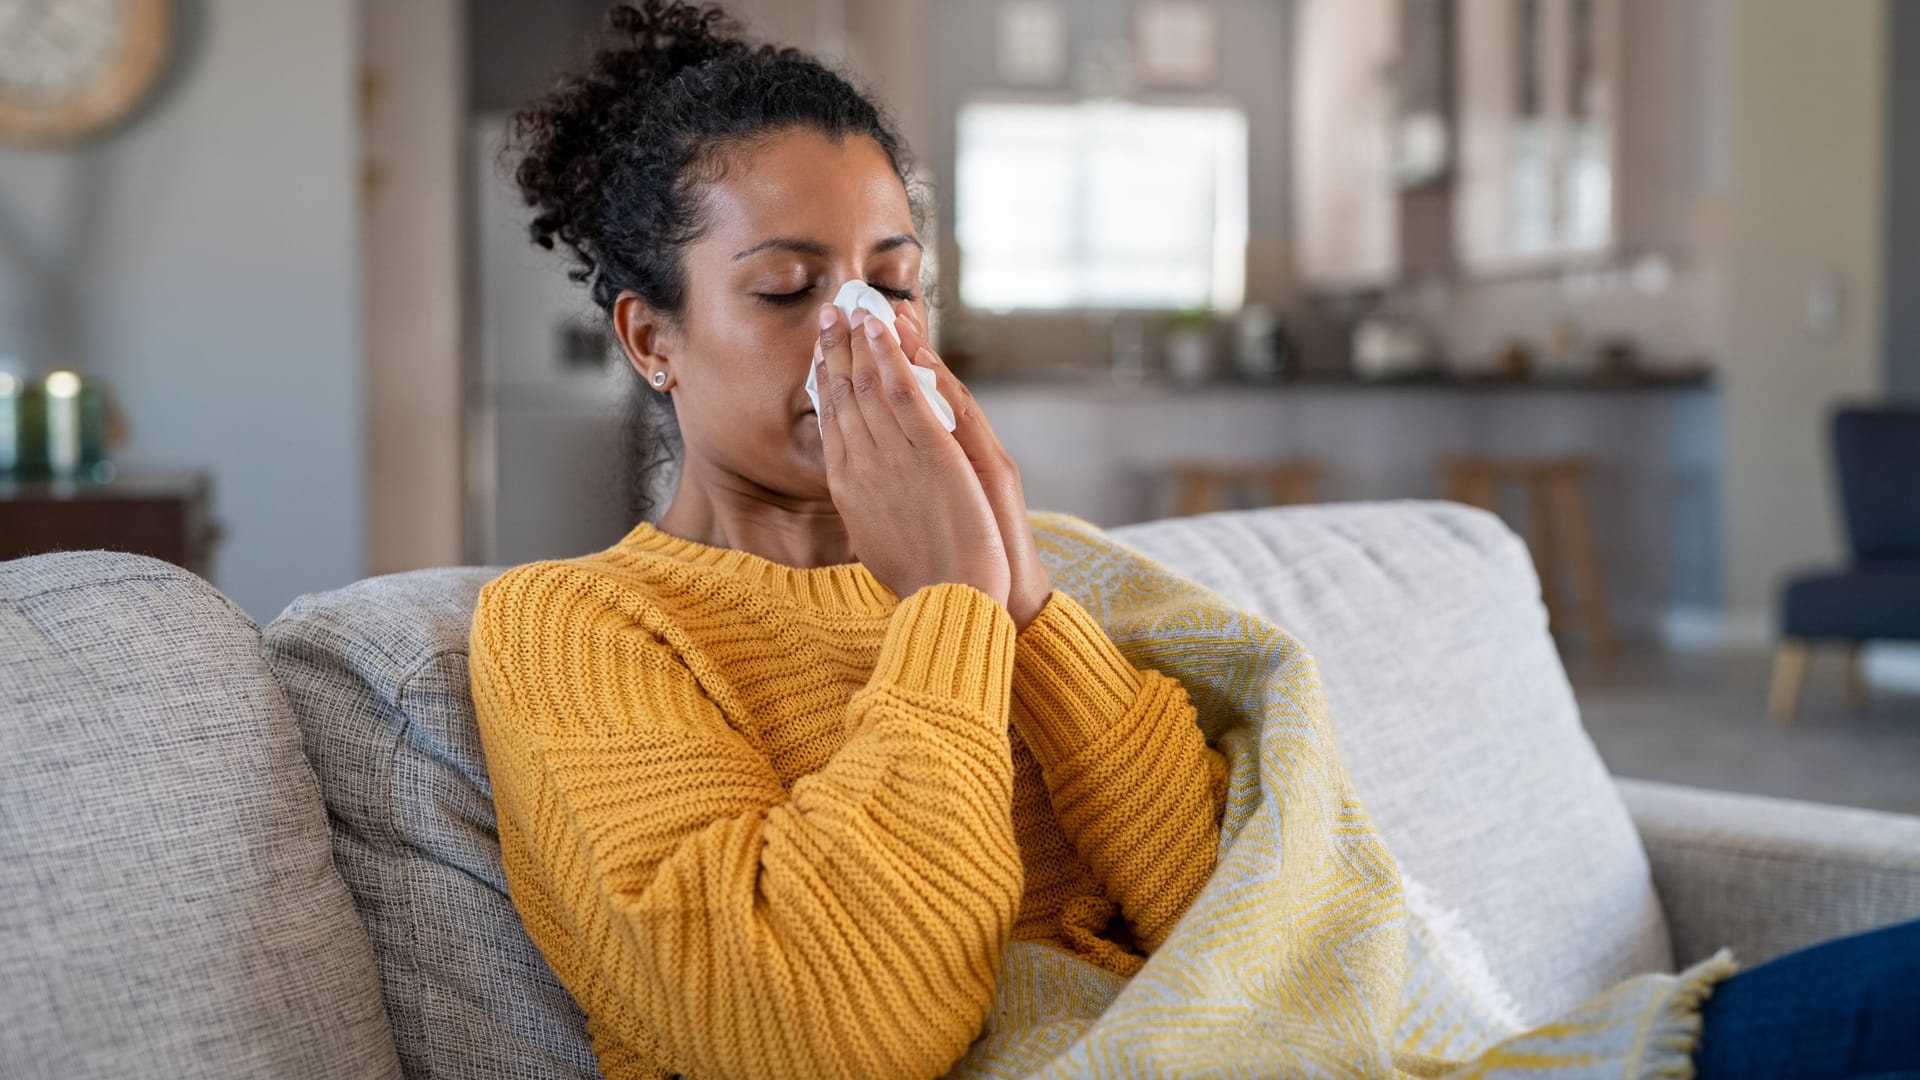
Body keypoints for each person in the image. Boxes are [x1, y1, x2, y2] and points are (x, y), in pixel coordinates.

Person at [465, 4, 1920, 1079]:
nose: (864, 333)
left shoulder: (1024, 571)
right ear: (652, 337)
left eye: (894, 284)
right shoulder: (582, 631)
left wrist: (1029, 605)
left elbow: (1238, 905)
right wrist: (956, 615)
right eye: (787, 287)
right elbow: (825, 1028)